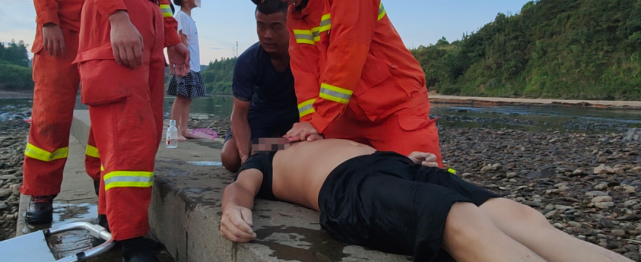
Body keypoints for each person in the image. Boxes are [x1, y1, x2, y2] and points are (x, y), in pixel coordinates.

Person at [221, 139, 632, 262]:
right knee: (458, 220)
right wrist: (231, 209)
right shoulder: (263, 161)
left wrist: (406, 157)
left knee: (521, 216)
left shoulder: (319, 132)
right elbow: (240, 188)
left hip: (395, 164)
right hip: (345, 185)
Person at [236, 0, 442, 166]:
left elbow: (347, 57)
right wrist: (311, 128)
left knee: (423, 178)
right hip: (343, 116)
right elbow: (306, 79)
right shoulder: (294, 16)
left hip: (394, 110)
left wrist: (317, 121)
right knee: (325, 176)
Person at [66, 0, 190, 261]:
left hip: (145, 20)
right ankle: (131, 239)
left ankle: (113, 220)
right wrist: (117, 16)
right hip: (117, 15)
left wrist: (172, 39)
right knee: (127, 133)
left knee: (143, 132)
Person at [21, 0, 101, 225]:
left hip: (100, 25)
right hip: (61, 28)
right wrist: (47, 19)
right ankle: (41, 194)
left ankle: (102, 182)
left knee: (106, 115)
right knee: (49, 116)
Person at [221, 0, 299, 172]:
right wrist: (244, 157)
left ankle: (272, 145)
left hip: (296, 114)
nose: (267, 35)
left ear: (290, 24)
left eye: (276, 27)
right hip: (262, 113)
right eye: (261, 26)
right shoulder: (248, 61)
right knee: (230, 156)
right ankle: (274, 144)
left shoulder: (305, 54)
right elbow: (239, 114)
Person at [167, 0, 208, 141]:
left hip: (194, 66)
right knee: (181, 96)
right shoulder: (181, 16)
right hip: (186, 65)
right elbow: (181, 39)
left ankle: (184, 128)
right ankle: (174, 128)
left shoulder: (190, 18)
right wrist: (184, 62)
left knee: (188, 97)